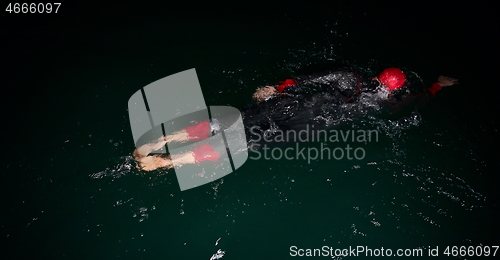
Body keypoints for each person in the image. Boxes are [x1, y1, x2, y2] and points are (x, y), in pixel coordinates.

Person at [252, 67, 458, 104]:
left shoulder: (350, 77)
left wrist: (281, 87)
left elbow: (326, 76)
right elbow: (421, 96)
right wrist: (437, 85)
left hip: (312, 101)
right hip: (323, 119)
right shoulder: (387, 100)